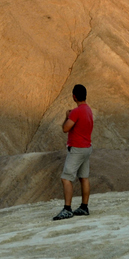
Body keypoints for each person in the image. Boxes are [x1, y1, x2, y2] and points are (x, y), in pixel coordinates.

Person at [53, 84, 93, 221]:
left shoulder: (76, 112)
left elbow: (65, 128)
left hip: (77, 148)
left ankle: (67, 209)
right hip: (87, 147)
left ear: (74, 96)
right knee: (84, 177)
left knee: (66, 178)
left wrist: (66, 116)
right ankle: (84, 207)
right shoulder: (88, 110)